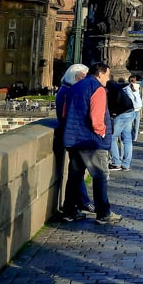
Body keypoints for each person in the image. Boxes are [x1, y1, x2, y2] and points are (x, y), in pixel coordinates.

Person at [62, 62, 122, 224]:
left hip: (73, 139)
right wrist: (102, 133)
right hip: (91, 142)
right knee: (100, 176)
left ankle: (69, 211)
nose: (108, 79)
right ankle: (103, 213)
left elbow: (64, 112)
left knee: (74, 177)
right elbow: (97, 118)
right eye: (107, 75)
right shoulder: (98, 89)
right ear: (100, 74)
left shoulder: (75, 86)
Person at [56, 64, 92, 221]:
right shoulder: (69, 91)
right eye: (83, 77)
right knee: (76, 173)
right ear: (76, 77)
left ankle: (81, 202)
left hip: (72, 135)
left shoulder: (66, 89)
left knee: (77, 172)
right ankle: (77, 205)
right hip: (75, 137)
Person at [107, 77, 137, 172]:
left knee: (111, 137)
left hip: (122, 114)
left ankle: (116, 163)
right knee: (127, 139)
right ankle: (126, 164)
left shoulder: (110, 92)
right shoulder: (118, 88)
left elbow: (111, 107)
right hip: (131, 111)